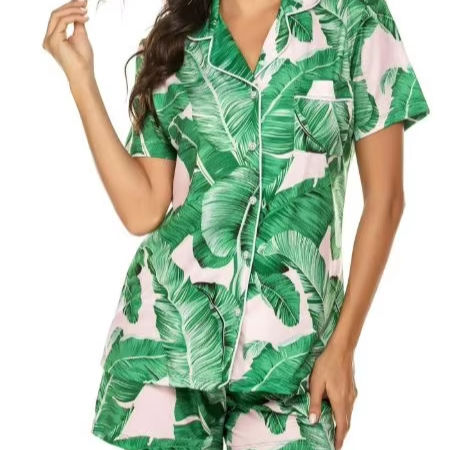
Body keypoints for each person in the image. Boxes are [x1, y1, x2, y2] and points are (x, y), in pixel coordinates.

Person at [42, 0, 430, 448]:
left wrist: (342, 349)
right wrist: (81, 78)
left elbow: (386, 200)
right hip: (168, 343)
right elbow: (143, 209)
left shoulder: (352, 19)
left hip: (295, 360)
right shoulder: (177, 39)